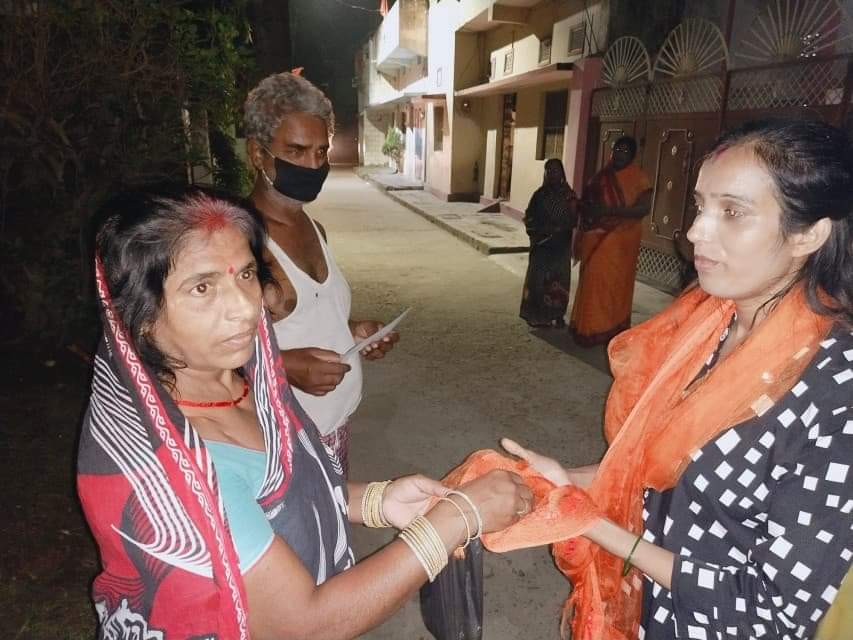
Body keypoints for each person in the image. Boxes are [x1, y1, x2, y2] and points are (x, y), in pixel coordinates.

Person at [78, 185, 532, 639]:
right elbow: (302, 624)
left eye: (246, 274)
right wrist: (456, 520)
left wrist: (376, 501)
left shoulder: (242, 381)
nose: (245, 307)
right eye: (202, 287)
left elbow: (275, 495)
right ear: (139, 315)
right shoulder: (179, 469)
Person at [499, 119, 853, 638]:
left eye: (732, 212)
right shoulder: (706, 327)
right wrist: (565, 480)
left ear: (808, 234)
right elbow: (663, 478)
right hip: (651, 614)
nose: (695, 232)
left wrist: (592, 523)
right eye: (700, 206)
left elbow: (774, 610)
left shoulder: (836, 390)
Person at [244, 72, 395, 476]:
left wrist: (353, 331)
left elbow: (306, 319)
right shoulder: (239, 241)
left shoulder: (315, 229)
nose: (313, 165)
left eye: (320, 152)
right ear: (257, 154)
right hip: (281, 443)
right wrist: (283, 368)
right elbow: (197, 356)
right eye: (296, 151)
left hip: (334, 429)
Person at [570, 135, 652, 346]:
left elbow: (643, 209)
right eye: (617, 149)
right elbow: (587, 204)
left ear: (632, 155)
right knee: (593, 281)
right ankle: (589, 328)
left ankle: (612, 328)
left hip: (623, 241)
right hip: (595, 237)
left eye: (625, 151)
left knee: (616, 285)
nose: (619, 154)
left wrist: (610, 211)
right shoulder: (601, 177)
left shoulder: (639, 178)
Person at [520, 158, 579, 328]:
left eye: (555, 170)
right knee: (538, 280)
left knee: (558, 281)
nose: (552, 173)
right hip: (541, 245)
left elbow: (574, 219)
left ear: (562, 173)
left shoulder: (569, 196)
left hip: (560, 246)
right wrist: (540, 229)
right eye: (549, 170)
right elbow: (529, 216)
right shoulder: (539, 195)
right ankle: (539, 316)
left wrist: (560, 227)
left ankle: (558, 315)